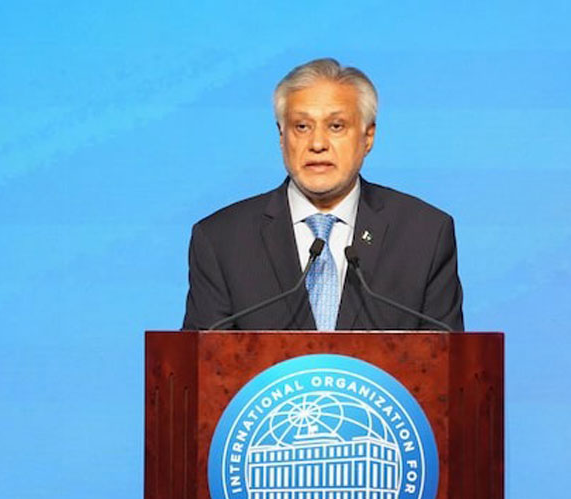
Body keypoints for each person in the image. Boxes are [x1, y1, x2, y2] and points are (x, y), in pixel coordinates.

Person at [182, 58, 464, 331]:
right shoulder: (221, 240)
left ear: (368, 137)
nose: (317, 144)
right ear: (282, 137)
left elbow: (449, 367)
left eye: (336, 126)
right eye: (301, 127)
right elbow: (199, 368)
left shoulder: (424, 234)